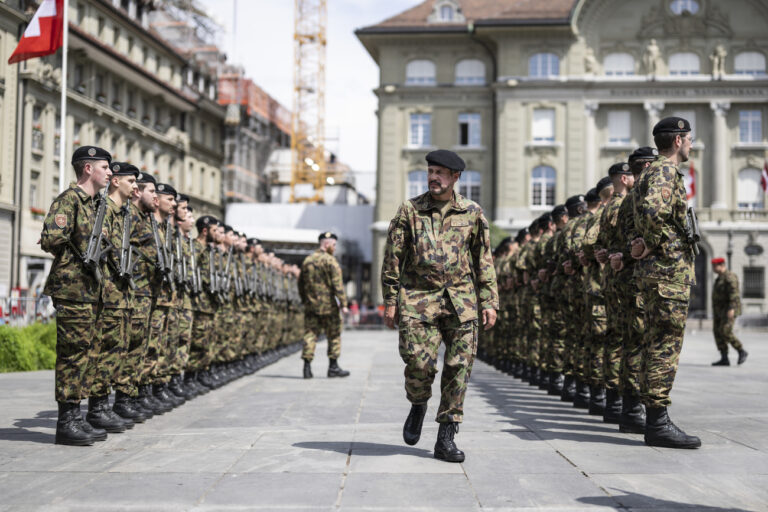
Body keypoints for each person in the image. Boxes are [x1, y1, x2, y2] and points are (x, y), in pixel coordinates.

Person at [381, 149, 498, 463]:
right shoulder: (409, 210)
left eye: (440, 172)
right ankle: (418, 403)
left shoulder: (472, 212)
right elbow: (392, 257)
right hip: (418, 300)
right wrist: (390, 301)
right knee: (418, 364)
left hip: (461, 302)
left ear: (455, 177)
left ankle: (446, 436)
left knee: (459, 368)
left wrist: (489, 301)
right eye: (431, 171)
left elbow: (483, 260)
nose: (433, 177)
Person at [630, 116, 701, 449]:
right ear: (678, 141)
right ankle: (657, 422)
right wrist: (659, 245)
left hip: (657, 273)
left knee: (654, 343)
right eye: (688, 139)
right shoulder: (664, 172)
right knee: (664, 346)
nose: (691, 145)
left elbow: (638, 215)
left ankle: (654, 419)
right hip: (667, 274)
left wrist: (644, 242)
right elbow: (654, 213)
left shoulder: (650, 173)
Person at [40, 145, 113, 446]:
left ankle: (77, 417)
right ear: (88, 169)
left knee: (87, 353)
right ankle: (66, 421)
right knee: (72, 354)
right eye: (105, 167)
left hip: (91, 290)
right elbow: (49, 238)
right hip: (72, 289)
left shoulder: (98, 206)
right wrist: (78, 250)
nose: (110, 173)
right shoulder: (70, 200)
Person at [297, 231, 350, 379]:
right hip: (329, 307)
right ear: (327, 244)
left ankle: (307, 368)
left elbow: (300, 284)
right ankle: (333, 367)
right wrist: (344, 304)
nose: (334, 247)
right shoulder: (330, 261)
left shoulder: (307, 260)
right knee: (333, 335)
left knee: (310, 335)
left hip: (311, 306)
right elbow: (337, 284)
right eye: (333, 245)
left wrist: (305, 300)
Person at [710, 257, 748, 366]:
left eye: (714, 266)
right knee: (717, 332)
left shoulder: (730, 276)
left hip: (728, 309)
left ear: (721, 265)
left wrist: (731, 308)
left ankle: (741, 350)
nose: (713, 268)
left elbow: (734, 293)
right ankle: (724, 357)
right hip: (719, 311)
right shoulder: (719, 278)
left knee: (725, 330)